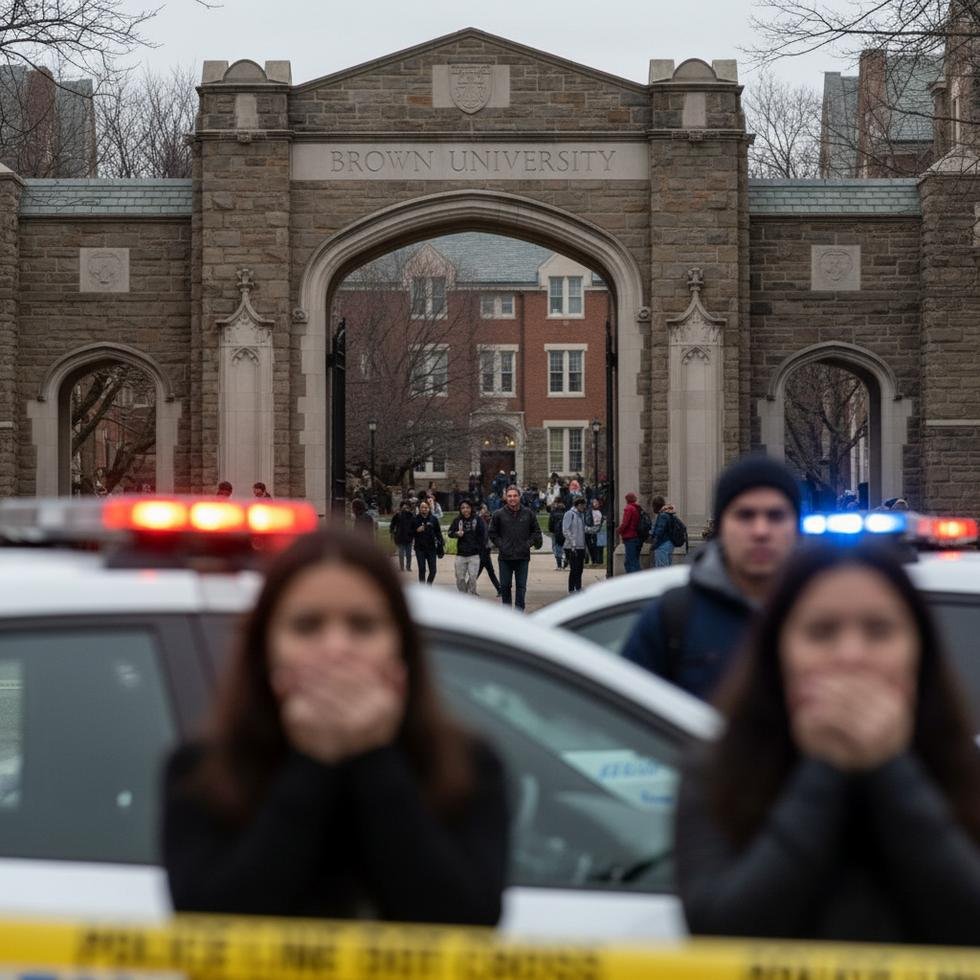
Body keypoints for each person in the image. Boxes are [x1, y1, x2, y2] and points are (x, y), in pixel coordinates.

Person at [162, 527, 508, 923]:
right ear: (266, 644)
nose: (336, 649)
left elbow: (465, 920)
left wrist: (375, 759)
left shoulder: (466, 768)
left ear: (400, 643)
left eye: (362, 626)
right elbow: (215, 921)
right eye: (307, 626)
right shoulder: (203, 771)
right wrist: (310, 764)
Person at [676, 538, 980, 945]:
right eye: (821, 632)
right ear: (779, 650)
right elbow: (721, 927)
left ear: (919, 649)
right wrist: (825, 768)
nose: (851, 655)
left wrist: (892, 769)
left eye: (879, 630)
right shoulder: (718, 769)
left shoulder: (964, 766)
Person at [622, 455, 801, 701]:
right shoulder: (670, 618)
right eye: (745, 515)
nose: (761, 530)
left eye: (776, 515)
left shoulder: (830, 615)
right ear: (721, 526)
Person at [489, 485, 543, 611]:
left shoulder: (528, 513)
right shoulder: (498, 514)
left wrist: (527, 544)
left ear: (519, 497)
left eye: (515, 496)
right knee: (505, 586)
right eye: (509, 496)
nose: (512, 498)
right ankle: (507, 613)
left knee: (521, 587)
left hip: (522, 557)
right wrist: (501, 545)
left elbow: (536, 532)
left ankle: (519, 612)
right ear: (505, 498)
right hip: (505, 557)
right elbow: (492, 533)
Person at [448, 500, 486, 595]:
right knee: (460, 578)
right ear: (460, 510)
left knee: (473, 577)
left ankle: (471, 595)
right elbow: (450, 533)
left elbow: (483, 535)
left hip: (474, 555)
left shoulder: (477, 519)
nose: (465, 510)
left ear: (471, 508)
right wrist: (456, 534)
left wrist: (479, 548)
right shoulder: (457, 520)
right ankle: (463, 595)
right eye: (463, 508)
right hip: (461, 554)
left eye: (467, 507)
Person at [412, 499, 444, 585]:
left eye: (426, 507)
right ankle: (423, 589)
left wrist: (441, 545)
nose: (424, 509)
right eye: (422, 507)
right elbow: (409, 533)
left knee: (433, 570)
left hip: (431, 548)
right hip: (420, 548)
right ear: (419, 508)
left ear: (429, 508)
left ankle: (428, 586)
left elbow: (438, 533)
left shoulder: (433, 519)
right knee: (422, 569)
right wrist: (416, 531)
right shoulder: (415, 519)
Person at [562, 497, 588, 593]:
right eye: (583, 505)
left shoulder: (581, 515)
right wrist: (573, 542)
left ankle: (578, 587)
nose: (584, 507)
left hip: (580, 546)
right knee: (574, 569)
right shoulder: (570, 514)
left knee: (580, 569)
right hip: (571, 546)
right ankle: (571, 589)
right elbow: (565, 529)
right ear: (578, 505)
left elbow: (582, 530)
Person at [475, 503, 501, 597]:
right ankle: (499, 589)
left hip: (486, 547)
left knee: (483, 569)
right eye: (484, 509)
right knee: (487, 570)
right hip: (481, 547)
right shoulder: (477, 519)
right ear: (480, 510)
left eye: (486, 508)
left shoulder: (488, 519)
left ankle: (468, 588)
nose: (485, 510)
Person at [618, 492, 642, 574]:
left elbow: (625, 523)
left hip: (629, 537)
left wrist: (618, 530)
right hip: (636, 536)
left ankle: (634, 581)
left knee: (630, 562)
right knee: (634, 560)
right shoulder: (637, 508)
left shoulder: (629, 508)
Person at [389, 500, 415, 573]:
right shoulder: (397, 515)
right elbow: (392, 524)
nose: (405, 506)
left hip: (409, 537)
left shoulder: (411, 515)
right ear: (401, 506)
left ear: (409, 507)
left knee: (409, 554)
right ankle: (402, 567)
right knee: (401, 553)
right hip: (399, 537)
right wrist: (392, 532)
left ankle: (408, 567)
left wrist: (413, 534)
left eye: (407, 505)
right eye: (404, 505)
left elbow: (414, 525)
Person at [649, 496, 674, 568]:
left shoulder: (662, 515)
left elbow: (659, 531)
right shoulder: (668, 514)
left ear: (655, 506)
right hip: (669, 543)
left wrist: (652, 536)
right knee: (667, 567)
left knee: (662, 568)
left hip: (662, 544)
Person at [548, 500, 566, 570]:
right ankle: (565, 561)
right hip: (564, 533)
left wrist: (551, 530)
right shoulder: (566, 513)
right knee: (564, 547)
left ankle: (559, 565)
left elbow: (550, 524)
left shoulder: (553, 513)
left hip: (556, 533)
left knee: (556, 547)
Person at [585, 498, 604, 565]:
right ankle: (594, 560)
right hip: (592, 530)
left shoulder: (600, 510)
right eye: (594, 502)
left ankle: (599, 560)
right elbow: (588, 521)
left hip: (600, 530)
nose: (596, 503)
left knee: (599, 546)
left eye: (597, 502)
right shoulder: (590, 511)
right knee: (593, 546)